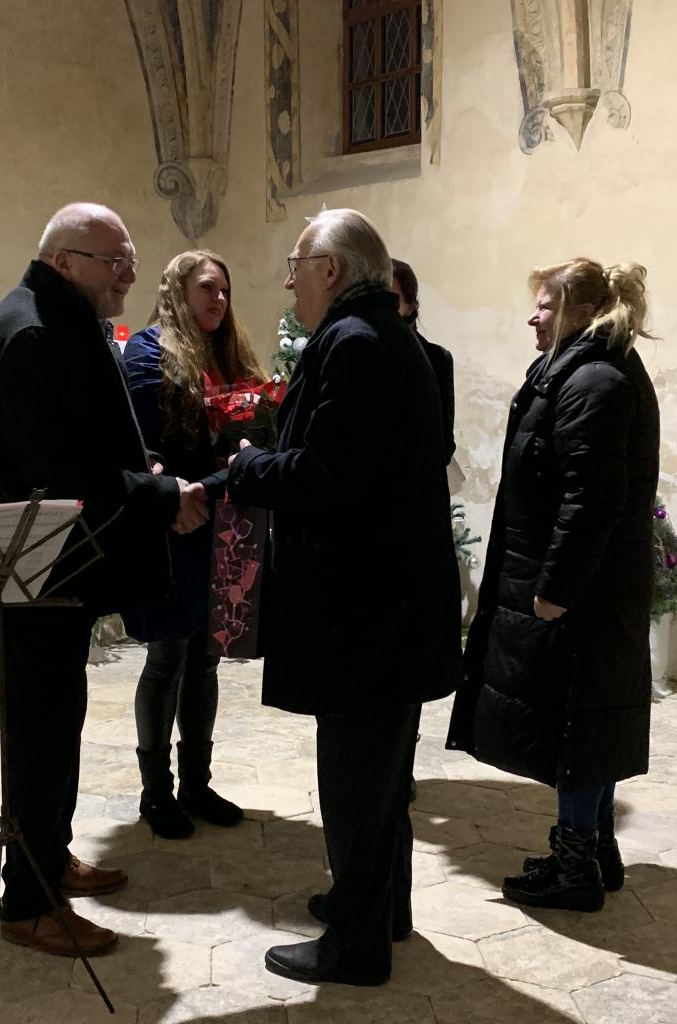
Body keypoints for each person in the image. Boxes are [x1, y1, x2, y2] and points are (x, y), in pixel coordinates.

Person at [0, 203, 207, 957]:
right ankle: (28, 903)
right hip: (28, 570)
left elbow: (88, 441)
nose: (128, 275)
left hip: (52, 567)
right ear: (65, 261)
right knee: (38, 733)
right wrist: (160, 493)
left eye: (131, 261)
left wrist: (141, 467)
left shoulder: (57, 318)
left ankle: (50, 856)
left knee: (58, 721)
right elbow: (62, 471)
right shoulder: (33, 331)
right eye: (114, 261)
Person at [227, 209, 461, 986]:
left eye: (297, 266)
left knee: (357, 780)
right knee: (382, 776)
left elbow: (326, 478)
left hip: (365, 612)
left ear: (330, 268)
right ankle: (380, 907)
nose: (288, 281)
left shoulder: (355, 342)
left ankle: (354, 946)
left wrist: (248, 465)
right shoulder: (386, 336)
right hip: (390, 605)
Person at [446, 258, 660, 912]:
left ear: (577, 310)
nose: (531, 317)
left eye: (544, 305)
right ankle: (593, 848)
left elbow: (590, 499)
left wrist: (557, 587)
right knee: (590, 722)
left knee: (577, 724)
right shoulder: (588, 370)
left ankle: (575, 867)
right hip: (594, 587)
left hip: (584, 594)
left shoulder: (594, 380)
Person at [123, 250, 267, 838]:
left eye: (225, 290)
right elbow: (137, 443)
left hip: (222, 516)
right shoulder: (148, 351)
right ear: (177, 291)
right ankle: (156, 792)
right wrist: (175, 495)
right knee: (167, 658)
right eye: (208, 288)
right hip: (174, 521)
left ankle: (196, 784)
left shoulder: (231, 354)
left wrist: (218, 478)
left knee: (206, 657)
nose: (220, 299)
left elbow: (253, 434)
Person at [391, 258, 456, 465]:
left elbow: (445, 443)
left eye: (390, 299)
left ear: (410, 307)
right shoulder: (357, 349)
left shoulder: (436, 359)